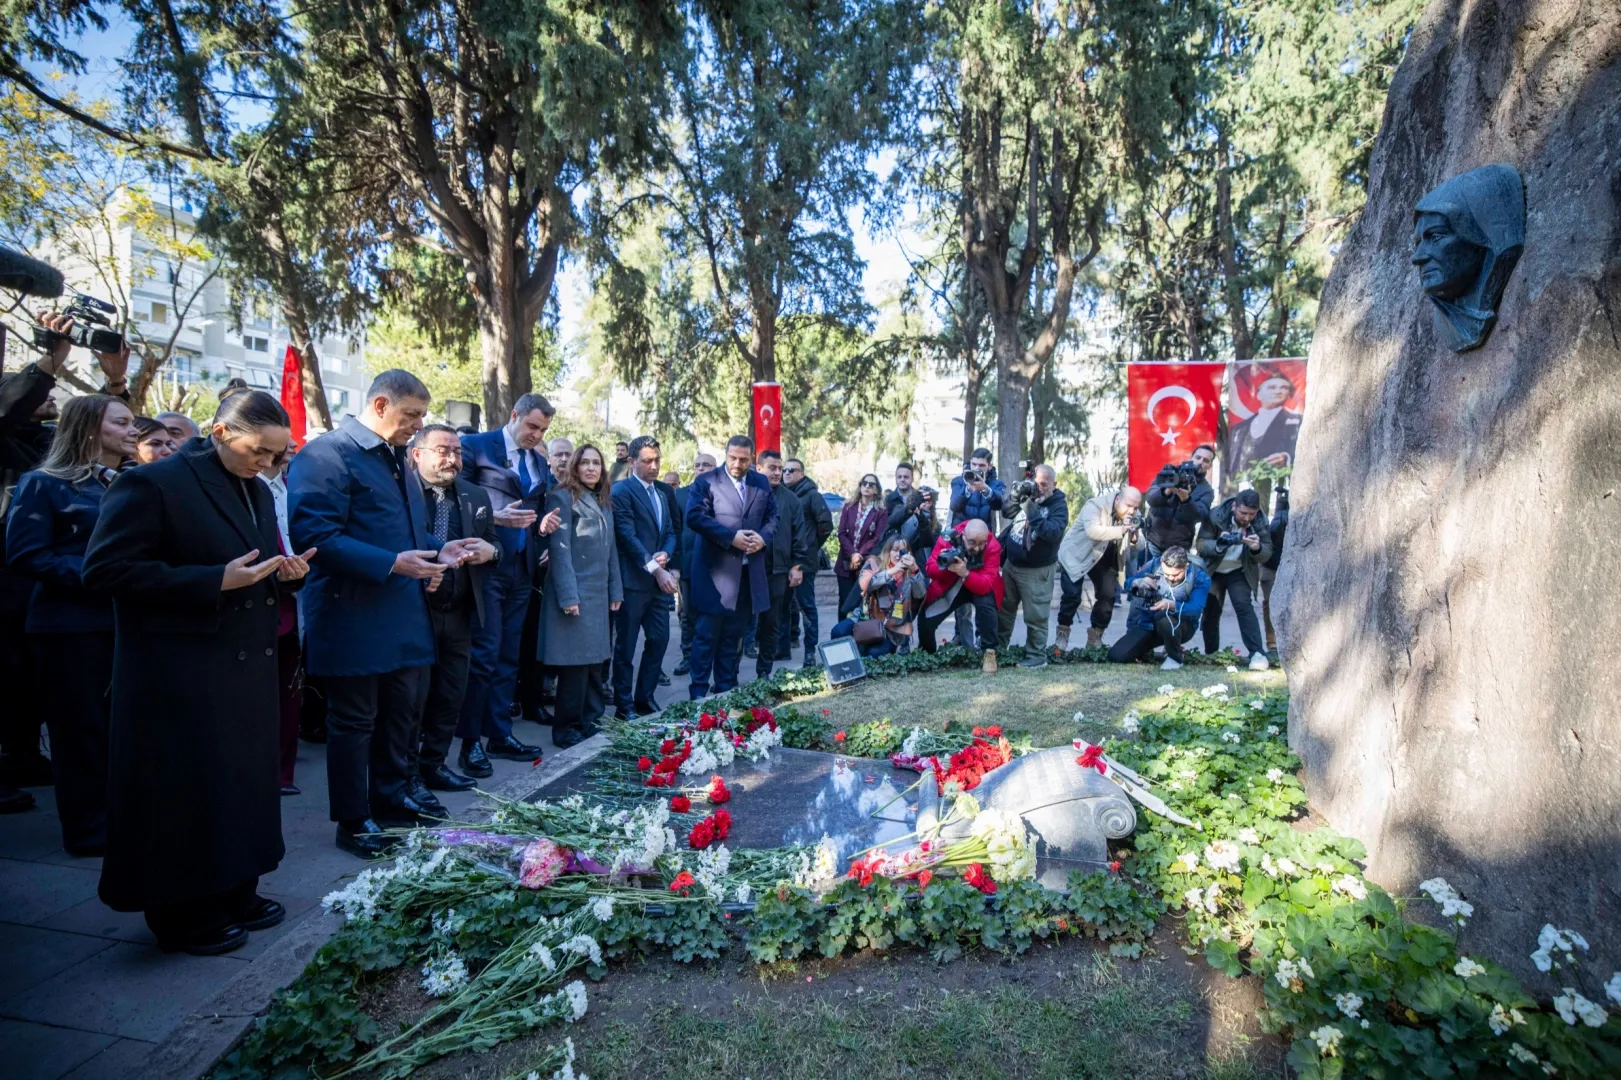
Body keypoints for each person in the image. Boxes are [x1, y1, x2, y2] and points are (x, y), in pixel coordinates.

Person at [82, 390, 313, 955]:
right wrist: (212, 580)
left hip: (243, 664)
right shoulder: (153, 484)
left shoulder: (256, 487)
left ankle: (236, 887)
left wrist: (286, 574)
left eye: (277, 455)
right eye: (259, 452)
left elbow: (252, 564)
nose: (268, 464)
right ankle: (181, 911)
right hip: (180, 670)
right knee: (185, 793)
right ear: (221, 432)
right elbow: (105, 570)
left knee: (239, 786)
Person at [289, 369, 458, 856]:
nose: (419, 425)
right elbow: (314, 535)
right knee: (354, 721)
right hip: (353, 616)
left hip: (403, 613)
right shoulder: (326, 454)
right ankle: (352, 818)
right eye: (412, 415)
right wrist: (392, 564)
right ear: (381, 405)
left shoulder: (397, 457)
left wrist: (439, 552)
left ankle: (390, 798)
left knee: (400, 716)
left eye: (422, 416)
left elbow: (400, 531)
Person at [0, 311, 129, 804]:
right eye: (120, 422)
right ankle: (86, 828)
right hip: (63, 623)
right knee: (79, 733)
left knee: (114, 733)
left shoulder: (118, 484)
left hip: (115, 624)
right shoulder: (41, 482)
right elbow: (27, 554)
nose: (133, 430)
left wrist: (116, 381)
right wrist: (98, 576)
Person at [456, 395, 558, 776]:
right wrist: (492, 517)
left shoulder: (539, 461)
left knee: (508, 655)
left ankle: (499, 734)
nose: (537, 435)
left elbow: (537, 508)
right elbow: (456, 498)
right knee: (484, 654)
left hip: (522, 567)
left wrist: (543, 526)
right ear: (514, 415)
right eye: (532, 426)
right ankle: (470, 743)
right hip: (486, 565)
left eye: (543, 430)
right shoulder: (475, 447)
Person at [406, 424, 499, 799]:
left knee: (450, 694)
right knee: (412, 699)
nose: (452, 459)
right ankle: (407, 775)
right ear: (418, 454)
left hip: (459, 612)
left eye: (458, 452)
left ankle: (435, 765)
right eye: (443, 451)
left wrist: (492, 552)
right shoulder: (403, 492)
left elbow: (492, 543)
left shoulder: (475, 495)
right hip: (414, 611)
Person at [542, 445, 622, 746]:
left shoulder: (603, 500)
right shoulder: (562, 497)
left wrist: (616, 590)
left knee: (595, 664)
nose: (591, 468)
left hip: (598, 596)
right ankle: (566, 729)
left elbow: (611, 551)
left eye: (596, 463)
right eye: (585, 462)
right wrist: (568, 597)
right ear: (575, 466)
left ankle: (591, 722)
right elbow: (559, 551)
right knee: (575, 666)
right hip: (574, 593)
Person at [685, 436, 776, 698]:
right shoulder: (706, 481)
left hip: (747, 577)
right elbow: (695, 517)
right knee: (705, 639)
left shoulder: (760, 482)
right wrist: (730, 537)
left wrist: (763, 538)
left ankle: (724, 693)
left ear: (752, 458)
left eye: (743, 459)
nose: (737, 464)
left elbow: (773, 516)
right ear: (726, 455)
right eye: (733, 458)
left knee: (732, 639)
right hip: (714, 577)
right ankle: (697, 696)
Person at [611, 435, 678, 719]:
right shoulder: (621, 491)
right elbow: (627, 536)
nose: (654, 466)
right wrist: (656, 568)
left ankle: (644, 698)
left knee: (659, 640)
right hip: (632, 583)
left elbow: (671, 531)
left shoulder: (661, 493)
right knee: (625, 647)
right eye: (647, 461)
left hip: (657, 586)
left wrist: (666, 553)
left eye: (657, 460)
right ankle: (623, 705)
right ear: (631, 461)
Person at [259, 447, 303, 796]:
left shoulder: (294, 487)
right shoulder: (246, 486)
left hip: (297, 599)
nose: (289, 446)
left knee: (290, 692)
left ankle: (281, 773)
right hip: (259, 601)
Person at [1055, 485, 1144, 652]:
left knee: (1108, 597)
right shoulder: (1095, 505)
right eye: (1128, 506)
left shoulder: (1134, 514)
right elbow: (1093, 531)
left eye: (1135, 507)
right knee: (1072, 596)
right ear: (1118, 499)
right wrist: (1122, 529)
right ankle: (1062, 634)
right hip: (1077, 555)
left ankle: (1095, 638)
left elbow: (1141, 545)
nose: (1132, 511)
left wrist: (1134, 536)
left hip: (1105, 556)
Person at [996, 464, 1069, 667]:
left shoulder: (1058, 506)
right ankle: (998, 651)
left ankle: (1036, 657)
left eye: (1045, 484)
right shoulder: (1027, 495)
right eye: (1036, 483)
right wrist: (1015, 497)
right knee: (1004, 611)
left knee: (1035, 616)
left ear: (1054, 484)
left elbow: (1051, 533)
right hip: (1012, 565)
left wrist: (1029, 507)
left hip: (1037, 571)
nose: (1040, 488)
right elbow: (1006, 512)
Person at [1196, 488, 1273, 670]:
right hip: (1214, 569)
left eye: (1251, 514)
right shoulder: (1215, 516)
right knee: (1211, 610)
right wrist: (1218, 545)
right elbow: (1201, 544)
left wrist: (1257, 548)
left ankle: (1257, 653)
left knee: (1244, 606)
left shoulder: (1260, 522)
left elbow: (1267, 551)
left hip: (1240, 569)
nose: (1247, 518)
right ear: (1234, 507)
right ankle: (1211, 653)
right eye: (1243, 513)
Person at [753, 449, 815, 678]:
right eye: (773, 468)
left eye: (780, 468)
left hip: (777, 570)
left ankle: (763, 672)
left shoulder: (791, 500)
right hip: (746, 568)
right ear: (759, 468)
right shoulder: (747, 492)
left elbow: (800, 536)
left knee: (771, 623)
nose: (778, 472)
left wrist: (797, 566)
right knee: (740, 625)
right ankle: (728, 676)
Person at [918, 518, 1003, 672]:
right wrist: (945, 566)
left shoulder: (993, 546)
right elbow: (930, 568)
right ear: (963, 536)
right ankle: (927, 654)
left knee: (987, 609)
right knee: (926, 616)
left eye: (981, 543)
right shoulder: (947, 539)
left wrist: (966, 574)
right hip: (952, 583)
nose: (976, 548)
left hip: (978, 583)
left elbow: (985, 585)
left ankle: (989, 652)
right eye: (972, 542)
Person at [1108, 546, 1210, 669]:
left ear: (1186, 566)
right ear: (1162, 563)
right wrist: (1138, 582)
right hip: (1149, 624)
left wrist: (1171, 605)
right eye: (1167, 574)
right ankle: (1149, 652)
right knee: (1116, 655)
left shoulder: (1199, 577)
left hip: (1181, 625)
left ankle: (1175, 658)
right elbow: (1127, 583)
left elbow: (1195, 609)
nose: (1171, 578)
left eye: (1176, 575)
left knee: (1164, 617)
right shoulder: (1154, 565)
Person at [830, 535, 925, 657]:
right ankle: (845, 662)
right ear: (887, 551)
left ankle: (868, 656)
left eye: (903, 551)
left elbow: (920, 593)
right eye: (895, 550)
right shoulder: (873, 563)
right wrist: (892, 571)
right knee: (838, 632)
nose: (898, 555)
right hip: (864, 618)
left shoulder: (910, 572)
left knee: (875, 654)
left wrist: (915, 569)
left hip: (891, 628)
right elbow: (866, 584)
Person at [782, 457, 831, 661]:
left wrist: (812, 545)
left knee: (806, 606)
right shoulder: (782, 494)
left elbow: (826, 525)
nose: (786, 473)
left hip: (803, 561)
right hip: (783, 560)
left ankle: (810, 652)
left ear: (801, 473)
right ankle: (782, 648)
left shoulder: (812, 495)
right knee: (782, 606)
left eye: (792, 470)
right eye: (784, 470)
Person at [671, 452, 715, 677]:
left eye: (706, 465)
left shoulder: (725, 494)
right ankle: (688, 657)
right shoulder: (680, 495)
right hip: (688, 564)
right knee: (688, 614)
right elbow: (674, 531)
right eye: (697, 465)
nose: (700, 468)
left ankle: (712, 659)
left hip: (718, 566)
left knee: (716, 615)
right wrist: (675, 565)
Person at [1224, 373, 1303, 480]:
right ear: (1259, 395)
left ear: (1288, 394)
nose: (1278, 391)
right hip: (1243, 483)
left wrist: (1288, 458)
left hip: (1276, 482)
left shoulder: (1298, 421)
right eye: (1272, 387)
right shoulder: (1239, 429)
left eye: (1284, 388)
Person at [1144, 443, 1215, 556]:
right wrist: (1167, 491)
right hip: (1153, 540)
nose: (1200, 462)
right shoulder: (1170, 473)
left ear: (1210, 465)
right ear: (1191, 457)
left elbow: (1199, 516)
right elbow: (1150, 498)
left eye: (1206, 460)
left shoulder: (1207, 490)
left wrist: (1186, 500)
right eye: (1198, 457)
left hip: (1178, 547)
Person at [835, 473, 889, 618]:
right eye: (864, 483)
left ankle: (858, 631)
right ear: (860, 486)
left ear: (876, 490)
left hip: (865, 564)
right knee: (844, 603)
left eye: (871, 484)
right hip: (845, 561)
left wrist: (859, 555)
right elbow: (841, 533)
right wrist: (852, 554)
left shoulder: (881, 512)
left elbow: (877, 537)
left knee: (860, 604)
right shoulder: (848, 506)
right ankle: (841, 632)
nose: (867, 486)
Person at [1260, 486, 1289, 651]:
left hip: (1280, 564)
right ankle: (1272, 642)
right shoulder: (1280, 520)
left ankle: (1276, 642)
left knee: (1273, 603)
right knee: (1270, 602)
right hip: (1271, 565)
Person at [948, 447, 1005, 529]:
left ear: (989, 466)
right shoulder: (959, 481)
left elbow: (999, 505)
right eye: (974, 464)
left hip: (984, 532)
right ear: (970, 463)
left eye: (981, 465)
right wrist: (968, 490)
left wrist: (986, 489)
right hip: (962, 531)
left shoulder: (997, 484)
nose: (977, 468)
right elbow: (954, 506)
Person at [891, 485, 941, 569]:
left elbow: (930, 545)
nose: (924, 502)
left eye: (928, 500)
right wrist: (913, 510)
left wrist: (923, 516)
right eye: (921, 499)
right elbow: (904, 534)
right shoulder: (901, 511)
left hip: (923, 563)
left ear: (932, 503)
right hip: (903, 559)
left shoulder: (936, 525)